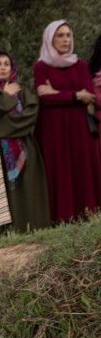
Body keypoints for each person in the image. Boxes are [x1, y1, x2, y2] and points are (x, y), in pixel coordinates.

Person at [0, 51, 50, 234]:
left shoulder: (22, 90)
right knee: (2, 195)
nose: (2, 67)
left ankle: (32, 231)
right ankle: (4, 237)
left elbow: (29, 119)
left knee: (29, 191)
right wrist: (5, 96)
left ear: (12, 67)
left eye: (6, 64)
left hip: (26, 150)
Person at [34, 20, 101, 223]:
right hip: (52, 129)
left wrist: (58, 93)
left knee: (81, 168)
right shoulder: (41, 67)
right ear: (50, 39)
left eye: (68, 35)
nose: (65, 39)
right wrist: (74, 96)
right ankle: (61, 218)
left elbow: (89, 95)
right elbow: (44, 98)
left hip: (78, 126)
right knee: (59, 169)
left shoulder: (79, 65)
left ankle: (87, 215)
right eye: (60, 35)